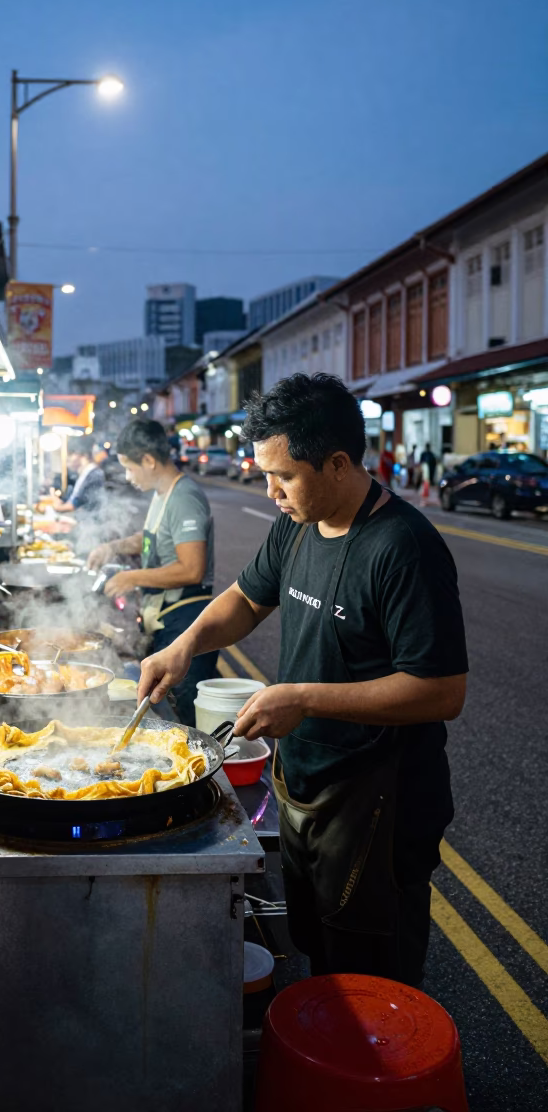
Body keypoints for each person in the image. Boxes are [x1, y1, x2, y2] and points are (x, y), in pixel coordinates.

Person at [137, 375, 467, 985]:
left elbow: (442, 690)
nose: (270, 492)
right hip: (303, 782)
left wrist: (305, 698)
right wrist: (185, 644)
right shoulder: (296, 522)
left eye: (284, 476)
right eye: (265, 474)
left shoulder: (403, 547)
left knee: (371, 973)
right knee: (318, 944)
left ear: (338, 463)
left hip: (378, 800)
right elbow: (245, 598)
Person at [87, 419, 217, 726]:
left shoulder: (184, 497)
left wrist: (130, 578)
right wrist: (113, 547)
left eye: (130, 468)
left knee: (187, 718)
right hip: (165, 618)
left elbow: (192, 568)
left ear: (148, 460)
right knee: (169, 707)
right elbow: (149, 538)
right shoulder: (162, 494)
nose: (129, 477)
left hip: (185, 619)